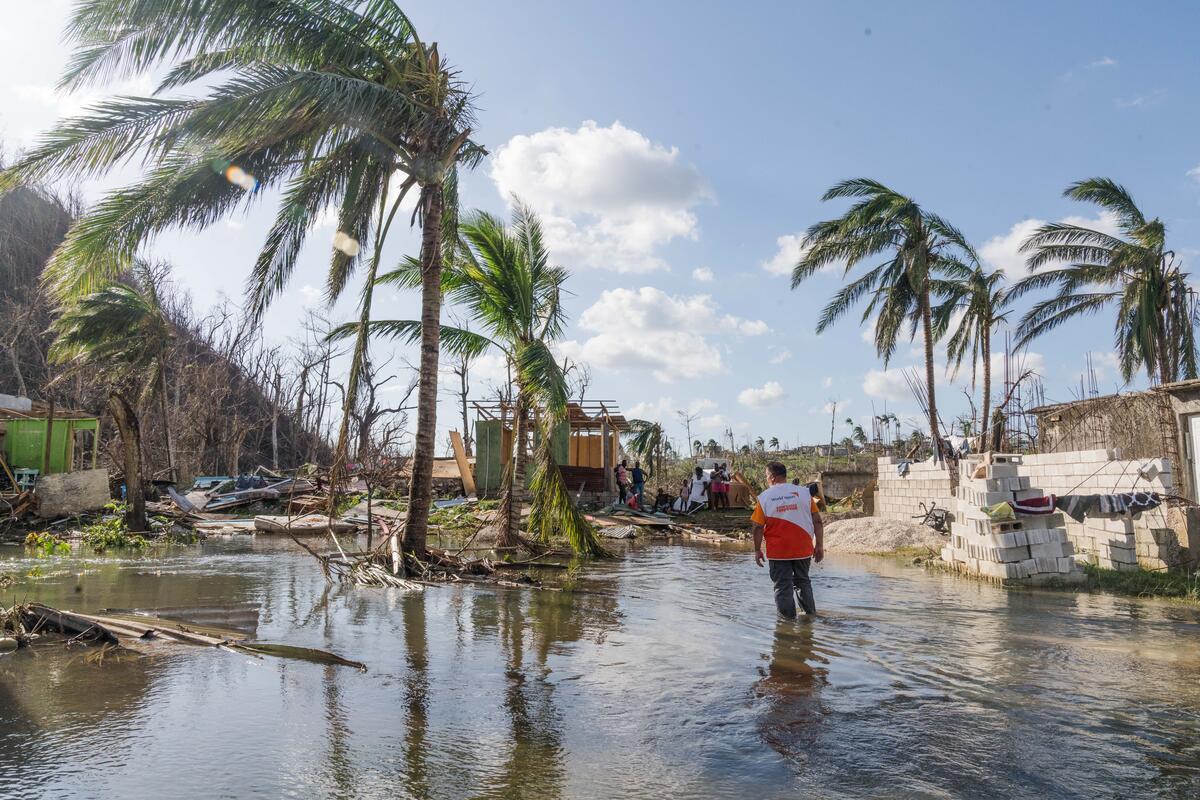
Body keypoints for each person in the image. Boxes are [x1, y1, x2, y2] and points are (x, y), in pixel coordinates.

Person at [751, 461, 824, 619]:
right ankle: (810, 617)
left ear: (771, 477)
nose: (766, 479)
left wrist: (757, 550)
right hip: (803, 549)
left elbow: (757, 527)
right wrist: (819, 545)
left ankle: (786, 626)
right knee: (803, 582)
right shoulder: (804, 494)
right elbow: (818, 521)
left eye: (766, 476)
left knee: (782, 587)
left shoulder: (764, 498)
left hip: (779, 552)